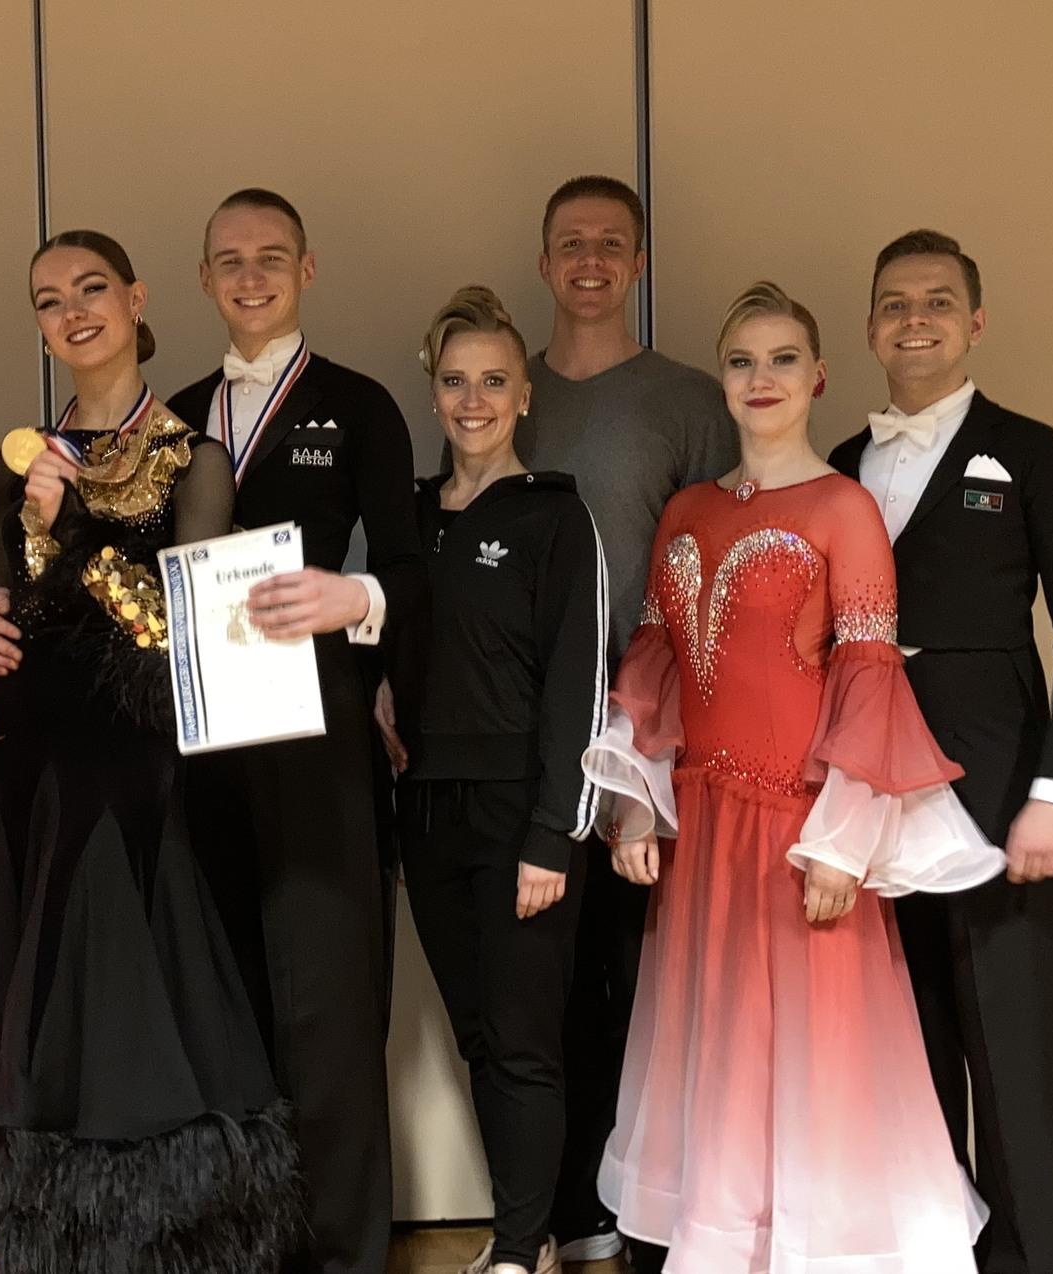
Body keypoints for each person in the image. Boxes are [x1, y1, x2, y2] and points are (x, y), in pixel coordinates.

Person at [586, 282, 1005, 1272]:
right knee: (721, 1051)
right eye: (741, 360)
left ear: (817, 377)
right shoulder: (686, 509)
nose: (760, 378)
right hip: (702, 829)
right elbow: (657, 662)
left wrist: (844, 840)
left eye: (781, 359)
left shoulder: (843, 507)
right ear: (720, 381)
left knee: (810, 1056)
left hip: (798, 830)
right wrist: (630, 804)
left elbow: (867, 675)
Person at [0, 230, 301, 1271]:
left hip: (142, 758)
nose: (73, 311)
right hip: (33, 760)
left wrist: (65, 539)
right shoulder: (19, 454)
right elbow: (3, 607)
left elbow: (183, 627)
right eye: (49, 298)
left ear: (136, 297)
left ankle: (178, 1231)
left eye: (92, 287)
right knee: (43, 964)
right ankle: (47, 1227)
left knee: (150, 967)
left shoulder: (194, 457)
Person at [828, 230, 1053, 1274]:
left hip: (1003, 793)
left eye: (938, 301)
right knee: (908, 1050)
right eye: (895, 303)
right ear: (868, 327)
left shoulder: (1032, 452)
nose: (916, 319)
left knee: (1016, 1047)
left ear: (975, 321)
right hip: (871, 794)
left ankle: (1042, 1257)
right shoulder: (838, 468)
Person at [168, 188, 425, 1274]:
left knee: (328, 1002)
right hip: (199, 751)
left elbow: (416, 567)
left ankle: (345, 1251)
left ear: (307, 269)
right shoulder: (172, 417)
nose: (251, 274)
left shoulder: (361, 405)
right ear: (204, 278)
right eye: (230, 259)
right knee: (222, 998)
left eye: (272, 256)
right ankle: (248, 1242)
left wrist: (351, 600)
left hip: (320, 738)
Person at [519, 175, 738, 1264]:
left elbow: (730, 572)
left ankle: (657, 1206)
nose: (591, 259)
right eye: (572, 242)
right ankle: (574, 1210)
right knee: (548, 990)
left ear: (639, 262)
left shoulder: (692, 400)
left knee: (654, 982)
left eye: (613, 242)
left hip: (658, 742)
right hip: (536, 743)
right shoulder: (509, 387)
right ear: (544, 258)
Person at [384, 287, 607, 1274]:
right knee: (480, 1034)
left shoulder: (557, 517)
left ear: (524, 396)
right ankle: (529, 1232)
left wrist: (552, 833)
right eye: (454, 380)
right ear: (434, 394)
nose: (472, 398)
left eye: (493, 381)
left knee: (523, 1041)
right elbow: (373, 633)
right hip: (425, 811)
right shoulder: (406, 519)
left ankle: (519, 1247)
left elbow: (577, 684)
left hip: (523, 812)